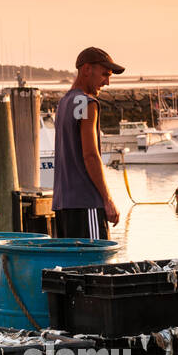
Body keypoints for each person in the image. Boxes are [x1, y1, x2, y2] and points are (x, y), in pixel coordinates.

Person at [53, 47, 124, 239]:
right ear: (86, 70)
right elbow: (90, 155)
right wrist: (107, 200)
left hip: (63, 204)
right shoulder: (85, 103)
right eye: (104, 75)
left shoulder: (64, 103)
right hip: (86, 203)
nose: (107, 83)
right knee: (95, 266)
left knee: (70, 268)